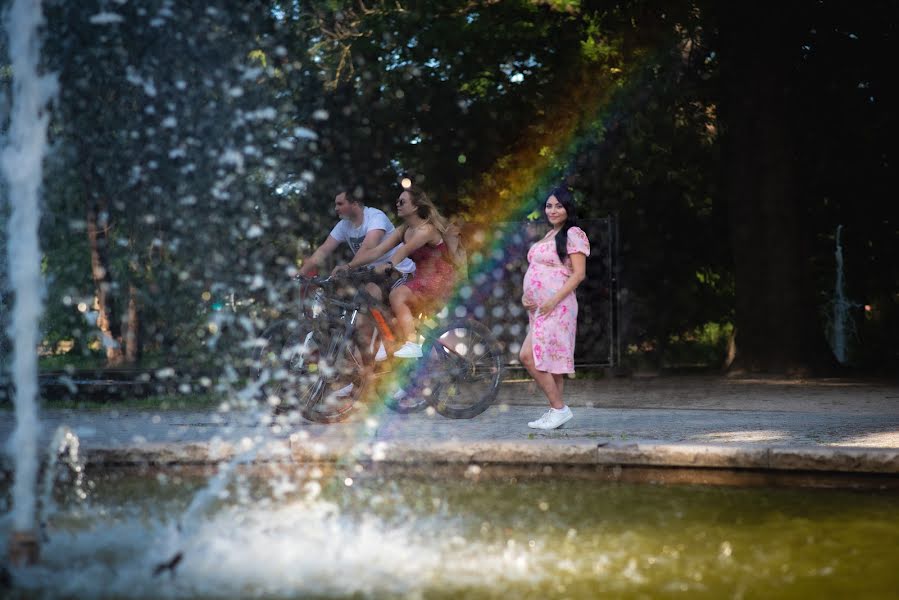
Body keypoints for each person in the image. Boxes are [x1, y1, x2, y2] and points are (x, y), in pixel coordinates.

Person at [298, 185, 415, 363]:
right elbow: (324, 249)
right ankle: (360, 371)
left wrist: (348, 266)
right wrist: (300, 274)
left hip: (397, 271)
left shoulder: (375, 217)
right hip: (370, 274)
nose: (336, 208)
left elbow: (369, 246)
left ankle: (387, 342)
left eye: (340, 203)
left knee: (367, 298)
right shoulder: (344, 225)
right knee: (352, 315)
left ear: (354, 203)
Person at [355, 185, 459, 359]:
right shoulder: (404, 229)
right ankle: (391, 344)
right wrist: (350, 266)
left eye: (402, 201)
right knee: (382, 300)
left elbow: (404, 251)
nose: (398, 204)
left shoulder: (427, 229)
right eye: (397, 201)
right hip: (422, 278)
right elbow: (376, 251)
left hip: (440, 280)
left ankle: (412, 344)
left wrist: (389, 264)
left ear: (416, 206)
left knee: (397, 295)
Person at [519, 186, 590, 430]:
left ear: (568, 207)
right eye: (549, 206)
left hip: (558, 308)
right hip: (540, 309)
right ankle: (555, 411)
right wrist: (526, 298)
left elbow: (579, 274)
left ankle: (560, 409)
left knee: (528, 356)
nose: (553, 210)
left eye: (558, 205)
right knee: (551, 363)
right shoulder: (550, 234)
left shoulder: (573, 233)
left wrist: (551, 300)